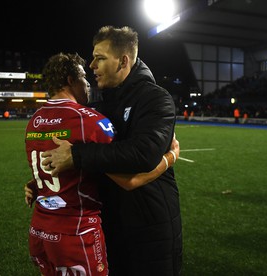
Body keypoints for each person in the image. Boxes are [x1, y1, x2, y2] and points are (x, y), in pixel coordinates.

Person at [41, 26, 182, 276]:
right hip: (108, 226)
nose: (92, 65)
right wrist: (38, 181)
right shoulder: (100, 105)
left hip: (149, 227)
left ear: (123, 61)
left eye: (100, 58)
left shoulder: (156, 99)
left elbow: (143, 154)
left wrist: (77, 155)